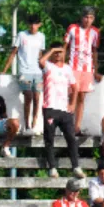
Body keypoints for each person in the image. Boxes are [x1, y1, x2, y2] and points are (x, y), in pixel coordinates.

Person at [39, 47, 83, 178]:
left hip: (64, 109)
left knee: (71, 137)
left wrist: (73, 103)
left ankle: (76, 166)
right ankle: (52, 167)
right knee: (49, 139)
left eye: (60, 52)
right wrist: (52, 50)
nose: (58, 55)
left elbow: (75, 87)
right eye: (56, 53)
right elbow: (41, 61)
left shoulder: (67, 69)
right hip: (50, 107)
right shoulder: (48, 66)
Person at [3, 13, 46, 134]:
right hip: (24, 71)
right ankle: (26, 125)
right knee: (28, 96)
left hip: (37, 72)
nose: (33, 26)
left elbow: (41, 55)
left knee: (37, 97)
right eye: (31, 24)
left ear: (39, 25)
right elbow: (13, 52)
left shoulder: (41, 37)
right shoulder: (22, 35)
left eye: (35, 24)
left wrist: (45, 69)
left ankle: (34, 124)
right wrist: (4, 70)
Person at [63, 6, 101, 134]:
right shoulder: (73, 28)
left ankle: (77, 126)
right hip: (73, 67)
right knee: (71, 95)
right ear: (81, 17)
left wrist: (95, 70)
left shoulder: (95, 32)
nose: (88, 20)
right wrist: (61, 64)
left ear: (93, 19)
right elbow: (65, 47)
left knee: (81, 97)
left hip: (87, 68)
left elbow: (94, 51)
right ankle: (67, 124)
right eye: (86, 17)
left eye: (90, 17)